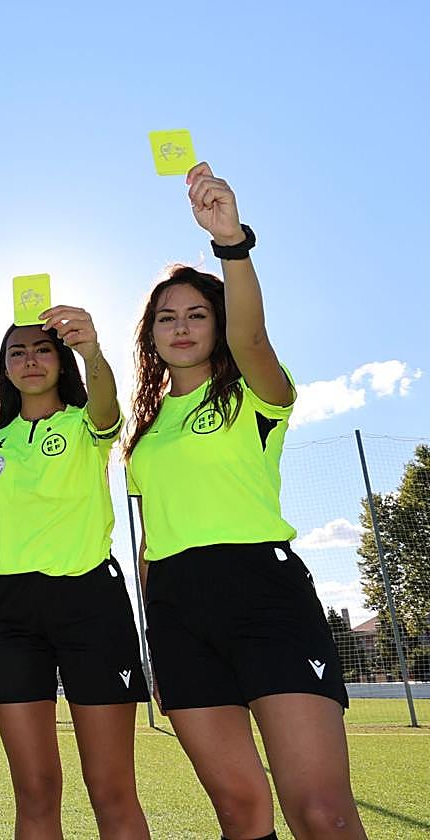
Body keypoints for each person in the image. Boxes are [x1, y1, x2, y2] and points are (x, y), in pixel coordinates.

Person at [125, 163, 367, 840]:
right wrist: (154, 640)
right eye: (166, 317)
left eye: (198, 313)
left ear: (220, 322)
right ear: (151, 335)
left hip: (264, 594)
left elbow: (252, 339)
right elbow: (149, 545)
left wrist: (230, 243)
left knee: (320, 813)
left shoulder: (256, 394)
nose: (180, 326)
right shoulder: (144, 434)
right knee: (239, 811)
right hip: (176, 610)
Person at [0, 310, 150, 839]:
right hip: (10, 616)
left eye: (42, 349)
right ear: (5, 369)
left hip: (90, 602)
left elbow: (110, 407)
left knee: (111, 788)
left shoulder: (86, 424)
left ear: (61, 360)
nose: (30, 360)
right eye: (16, 352)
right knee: (36, 790)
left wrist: (93, 352)